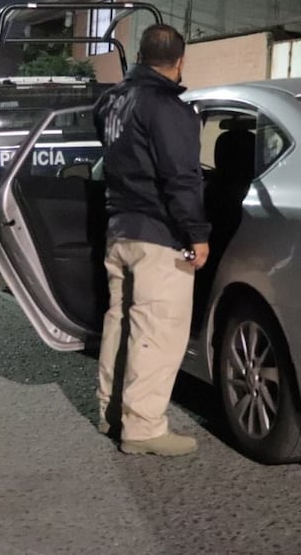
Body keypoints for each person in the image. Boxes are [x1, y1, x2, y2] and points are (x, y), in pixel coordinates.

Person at [93, 24, 210, 457]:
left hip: (119, 229)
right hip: (159, 236)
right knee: (156, 332)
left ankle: (111, 412)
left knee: (119, 325)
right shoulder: (169, 108)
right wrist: (197, 234)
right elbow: (182, 178)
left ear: (141, 55)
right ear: (180, 61)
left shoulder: (112, 101)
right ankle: (143, 430)